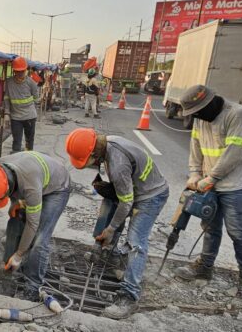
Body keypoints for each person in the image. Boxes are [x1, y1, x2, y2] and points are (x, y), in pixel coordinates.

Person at [66, 127, 169, 319]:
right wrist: (107, 225)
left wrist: (111, 228)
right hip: (136, 188)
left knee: (135, 242)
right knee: (109, 206)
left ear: (93, 153)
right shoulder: (107, 145)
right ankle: (110, 254)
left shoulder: (117, 164)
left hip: (151, 195)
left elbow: (126, 202)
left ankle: (129, 296)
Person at [174, 84, 242, 303]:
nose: (196, 117)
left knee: (237, 232)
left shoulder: (237, 115)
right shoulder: (200, 118)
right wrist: (195, 173)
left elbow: (235, 152)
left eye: (198, 112)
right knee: (210, 228)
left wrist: (212, 177)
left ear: (209, 103)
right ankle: (205, 267)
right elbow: (195, 146)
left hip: (235, 186)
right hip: (209, 182)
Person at [0, 151, 71, 301]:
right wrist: (16, 202)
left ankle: (33, 286)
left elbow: (32, 223)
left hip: (57, 187)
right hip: (34, 178)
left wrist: (19, 254)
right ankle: (11, 270)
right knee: (15, 219)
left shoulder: (30, 187)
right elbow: (12, 187)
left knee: (40, 238)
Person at [4, 56, 40, 152]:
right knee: (16, 142)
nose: (20, 73)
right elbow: (6, 98)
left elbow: (36, 98)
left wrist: (32, 110)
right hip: (16, 117)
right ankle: (16, 158)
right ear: (14, 71)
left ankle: (28, 156)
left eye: (22, 71)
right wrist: (7, 113)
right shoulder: (8, 82)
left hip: (29, 116)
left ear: (25, 70)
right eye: (18, 71)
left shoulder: (31, 83)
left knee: (29, 141)